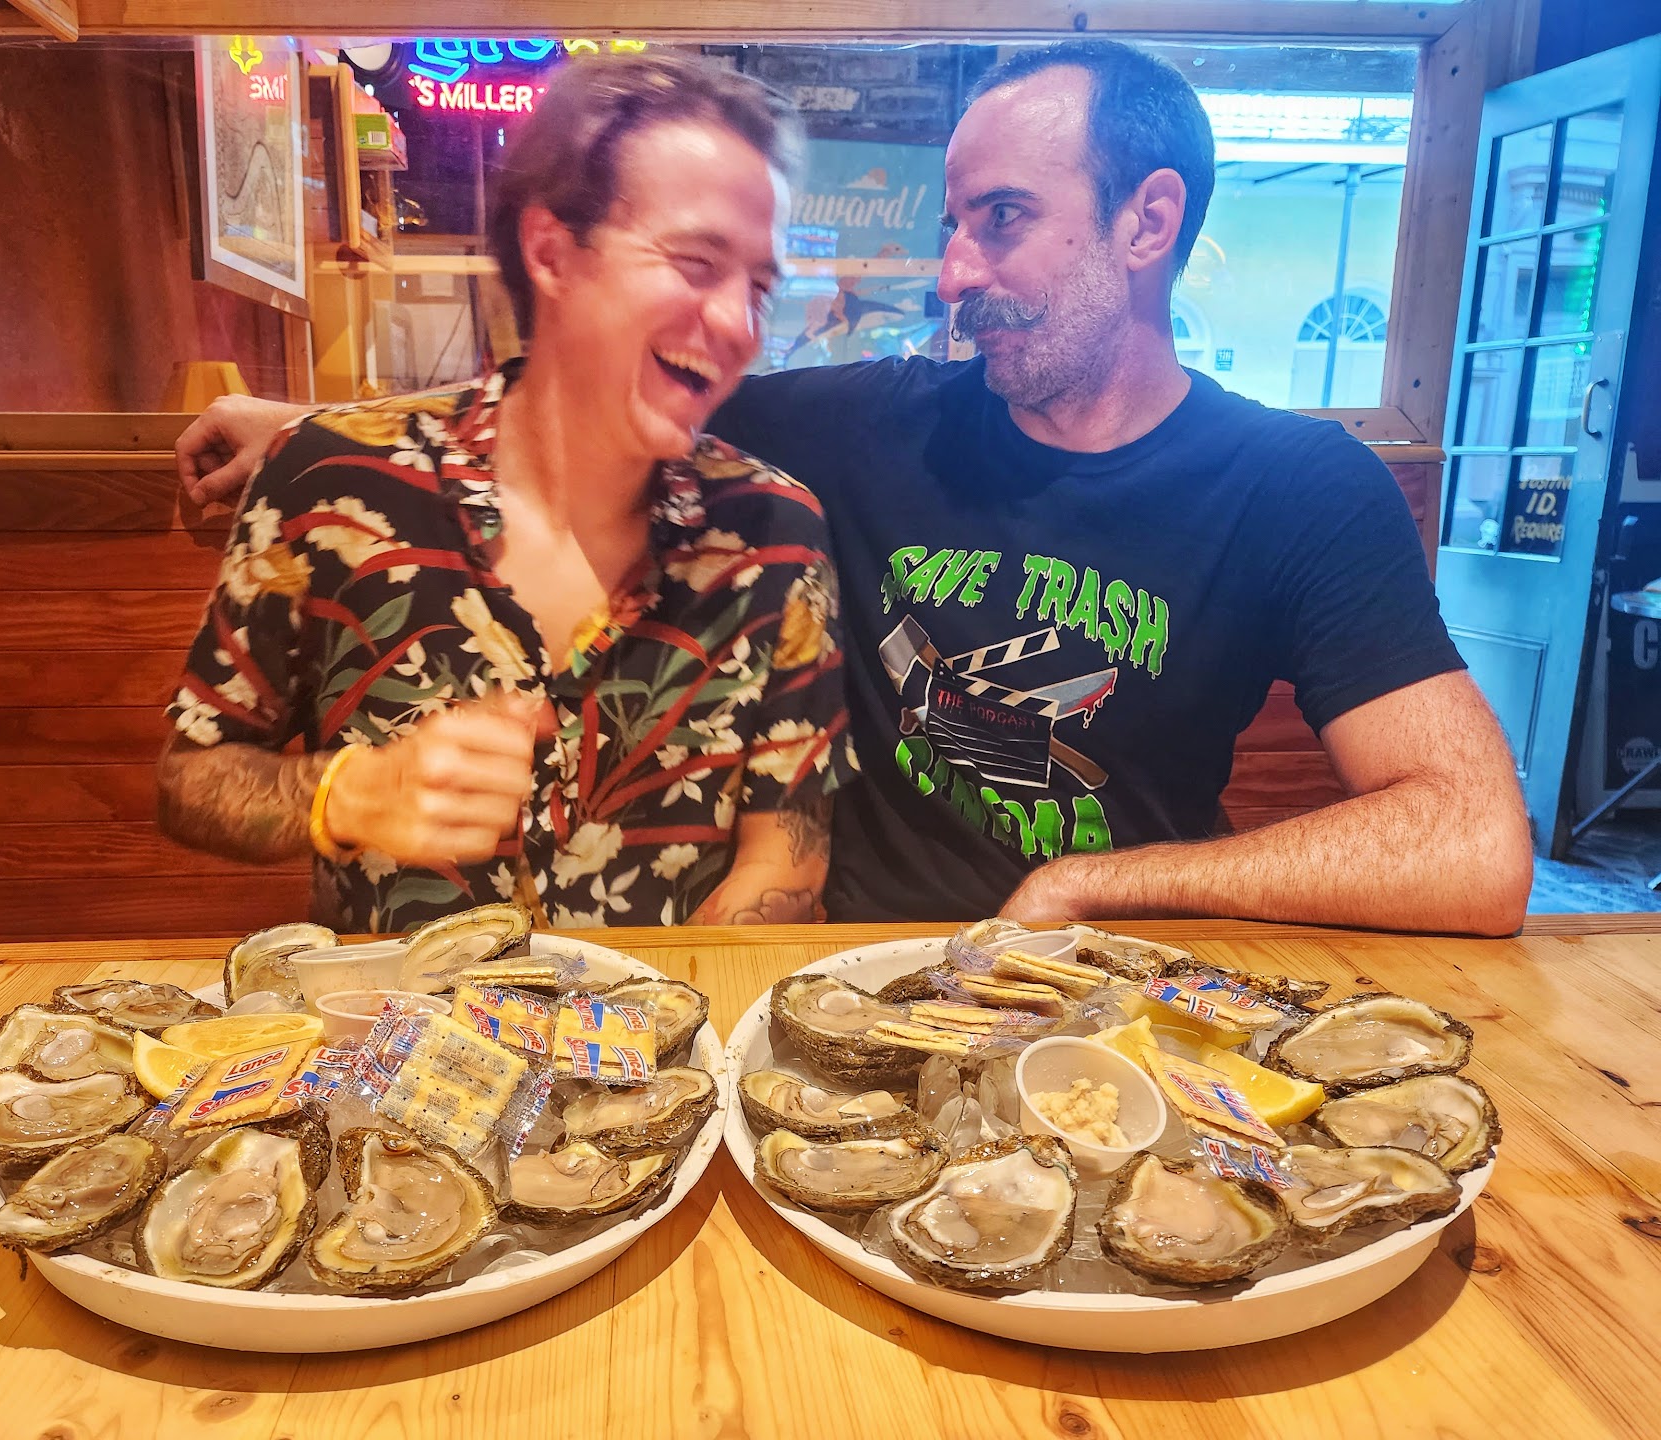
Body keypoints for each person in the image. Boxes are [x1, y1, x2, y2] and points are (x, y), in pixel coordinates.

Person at [176, 41, 1533, 938]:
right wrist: (312, 429)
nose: (952, 273)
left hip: (1117, 983)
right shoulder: (876, 424)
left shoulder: (1297, 486)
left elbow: (1473, 844)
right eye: (952, 225)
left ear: (1149, 221)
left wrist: (1098, 886)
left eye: (1001, 220)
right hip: (858, 981)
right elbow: (587, 390)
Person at [159, 56, 857, 933]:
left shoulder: (773, 536)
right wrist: (346, 792)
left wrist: (677, 1000)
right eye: (695, 263)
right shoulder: (331, 482)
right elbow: (191, 777)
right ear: (552, 252)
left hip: (671, 1018)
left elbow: (786, 852)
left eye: (759, 286)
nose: (739, 325)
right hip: (399, 1019)